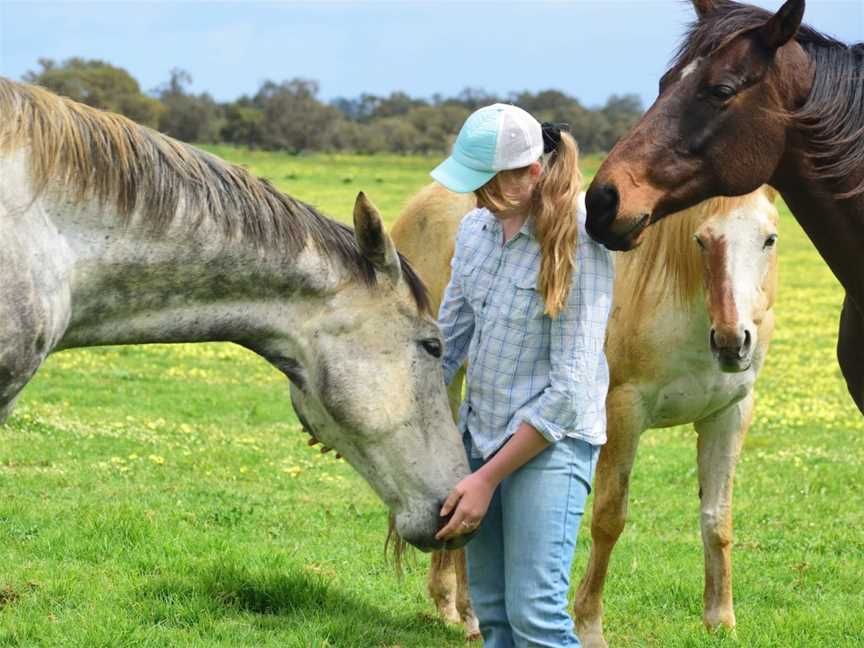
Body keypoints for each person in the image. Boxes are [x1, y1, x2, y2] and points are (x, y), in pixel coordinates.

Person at [432, 103, 614, 647]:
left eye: (488, 183)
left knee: (535, 614)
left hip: (551, 444)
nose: (477, 196)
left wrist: (484, 480)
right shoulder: (475, 232)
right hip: (480, 435)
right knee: (492, 613)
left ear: (531, 173)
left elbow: (570, 391)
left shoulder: (581, 240)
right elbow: (448, 341)